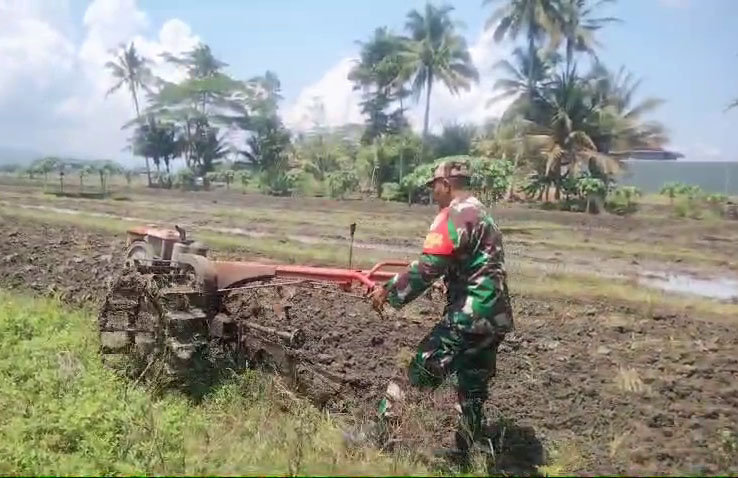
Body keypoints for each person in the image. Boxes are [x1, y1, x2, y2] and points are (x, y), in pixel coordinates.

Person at [369, 160, 513, 457]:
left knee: (414, 374)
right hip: (494, 317)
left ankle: (376, 440)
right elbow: (473, 265)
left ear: (446, 184)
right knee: (472, 388)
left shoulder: (453, 215)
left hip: (467, 318)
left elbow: (428, 266)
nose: (432, 193)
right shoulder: (483, 215)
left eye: (434, 187)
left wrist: (389, 291)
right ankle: (468, 450)